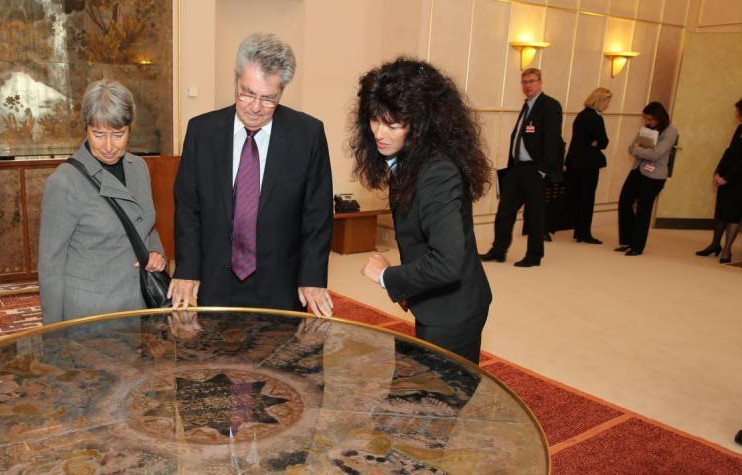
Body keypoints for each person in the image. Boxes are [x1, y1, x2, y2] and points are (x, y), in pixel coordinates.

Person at [169, 33, 334, 317]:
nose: (255, 107)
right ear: (236, 80)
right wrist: (187, 268)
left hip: (280, 281)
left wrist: (313, 277)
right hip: (214, 278)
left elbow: (317, 214)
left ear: (282, 91)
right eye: (247, 93)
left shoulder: (307, 135)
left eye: (268, 98)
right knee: (212, 357)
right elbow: (187, 207)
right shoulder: (202, 132)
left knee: (279, 357)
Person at [354, 58, 492, 364]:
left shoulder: (436, 171)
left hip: (453, 311)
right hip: (437, 301)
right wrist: (410, 287)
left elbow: (446, 262)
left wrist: (388, 277)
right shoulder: (411, 160)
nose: (379, 132)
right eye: (375, 120)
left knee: (438, 404)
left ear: (421, 124)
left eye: (392, 124)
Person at [38, 79, 167, 324]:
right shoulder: (64, 182)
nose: (108, 146)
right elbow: (50, 266)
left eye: (118, 135)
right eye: (99, 134)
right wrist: (53, 333)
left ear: (130, 129)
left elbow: (144, 223)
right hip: (91, 312)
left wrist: (156, 251)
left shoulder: (138, 168)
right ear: (86, 129)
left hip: (136, 303)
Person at [480, 68, 564, 267]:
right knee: (504, 212)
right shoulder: (527, 106)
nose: (527, 85)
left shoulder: (549, 105)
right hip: (517, 169)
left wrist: (543, 170)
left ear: (540, 82)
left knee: (534, 215)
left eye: (532, 81)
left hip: (535, 169)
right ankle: (498, 250)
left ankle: (534, 256)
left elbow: (553, 141)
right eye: (524, 82)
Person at [616, 102, 678, 256]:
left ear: (659, 117)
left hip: (654, 175)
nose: (648, 122)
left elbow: (657, 154)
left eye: (650, 119)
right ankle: (627, 241)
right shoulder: (647, 129)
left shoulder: (671, 132)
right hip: (638, 169)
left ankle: (637, 247)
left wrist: (639, 150)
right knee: (624, 202)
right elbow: (631, 148)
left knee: (643, 209)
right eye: (646, 119)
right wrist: (640, 150)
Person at [695, 98, 742, 264]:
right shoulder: (740, 128)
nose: (736, 114)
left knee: (734, 216)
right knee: (721, 211)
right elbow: (729, 152)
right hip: (726, 176)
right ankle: (715, 244)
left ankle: (727, 250)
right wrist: (718, 171)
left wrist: (727, 178)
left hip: (739, 180)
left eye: (738, 110)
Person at [565, 87, 612, 244]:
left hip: (575, 162)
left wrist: (595, 142)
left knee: (571, 196)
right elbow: (604, 142)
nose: (608, 105)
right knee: (587, 199)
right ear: (600, 100)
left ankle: (547, 228)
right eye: (607, 101)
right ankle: (583, 233)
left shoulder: (581, 115)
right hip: (588, 165)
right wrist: (597, 143)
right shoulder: (595, 118)